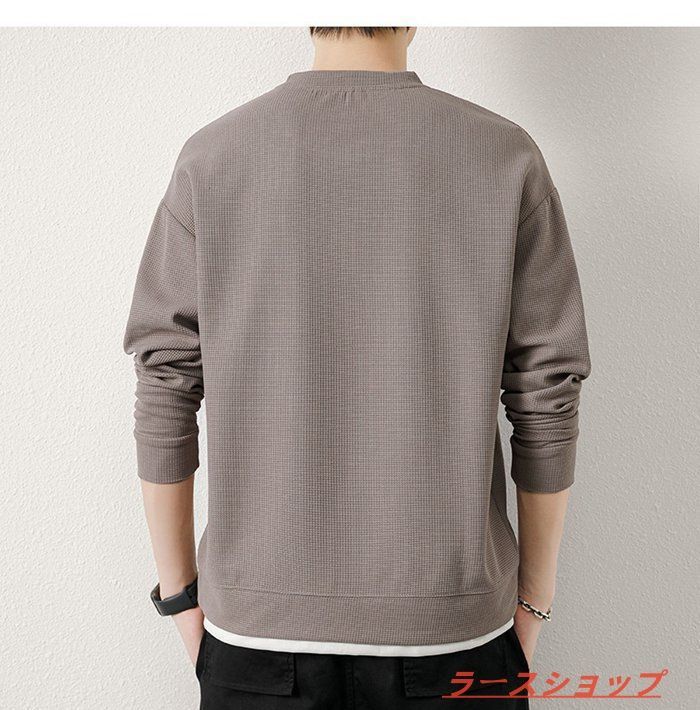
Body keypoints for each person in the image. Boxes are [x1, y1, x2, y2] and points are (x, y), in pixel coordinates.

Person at [122, 26, 591, 709]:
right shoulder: (503, 154)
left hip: (258, 633)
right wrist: (534, 602)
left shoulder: (214, 156)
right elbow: (547, 391)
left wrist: (180, 597)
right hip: (452, 623)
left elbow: (165, 381)